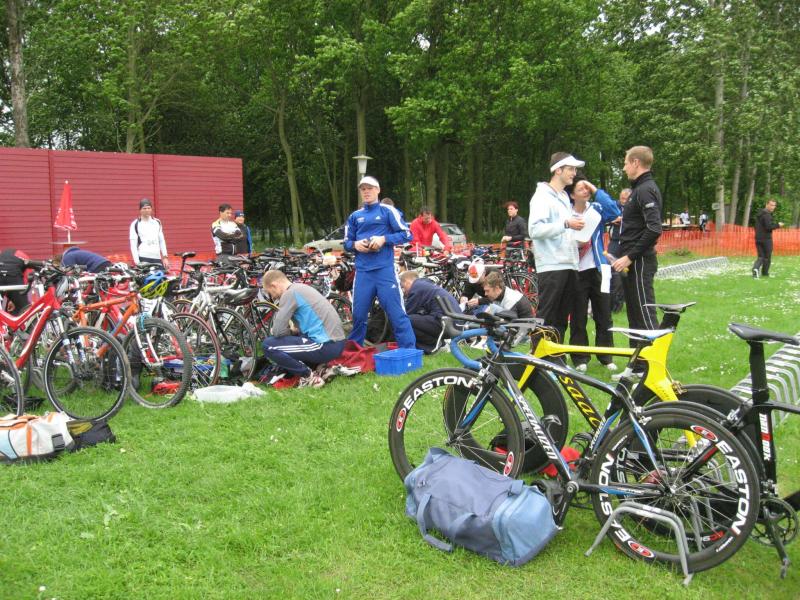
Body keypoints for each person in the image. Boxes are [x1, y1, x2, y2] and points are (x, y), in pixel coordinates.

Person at [343, 175, 415, 348]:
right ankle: (354, 354)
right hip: (363, 273)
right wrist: (355, 245)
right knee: (358, 316)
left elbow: (407, 234)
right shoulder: (355, 216)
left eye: (370, 188)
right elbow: (346, 243)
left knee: (397, 314)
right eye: (363, 189)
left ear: (378, 190)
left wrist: (384, 239)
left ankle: (409, 351)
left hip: (385, 271)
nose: (366, 192)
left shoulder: (388, 211)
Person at [611, 146, 663, 369]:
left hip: (640, 261)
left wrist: (630, 257)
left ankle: (654, 367)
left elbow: (654, 228)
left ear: (635, 163)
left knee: (644, 313)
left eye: (625, 163)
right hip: (631, 262)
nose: (624, 168)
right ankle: (637, 367)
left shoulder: (645, 190)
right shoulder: (638, 189)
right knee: (634, 316)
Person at [528, 152, 586, 340]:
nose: (574, 173)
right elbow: (535, 230)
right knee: (547, 317)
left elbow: (562, 230)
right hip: (552, 265)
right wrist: (566, 224)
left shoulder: (563, 196)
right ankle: (538, 355)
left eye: (575, 169)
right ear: (558, 170)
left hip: (569, 264)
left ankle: (556, 355)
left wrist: (577, 239)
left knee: (561, 319)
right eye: (570, 169)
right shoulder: (542, 196)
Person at [566, 178, 621, 372]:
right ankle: (580, 357)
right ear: (572, 194)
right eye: (581, 188)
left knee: (604, 314)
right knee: (578, 316)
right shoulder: (566, 212)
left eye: (587, 187)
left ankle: (606, 356)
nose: (585, 190)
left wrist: (595, 189)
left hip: (599, 268)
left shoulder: (596, 208)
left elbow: (615, 212)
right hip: (577, 270)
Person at [260, 270, 346, 388]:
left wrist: (289, 332)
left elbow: (278, 331)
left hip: (325, 345)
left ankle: (309, 377)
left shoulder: (289, 294)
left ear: (274, 285)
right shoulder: (302, 288)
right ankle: (321, 368)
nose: (273, 297)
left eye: (270, 293)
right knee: (294, 339)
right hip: (337, 343)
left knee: (269, 345)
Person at [399, 270, 463, 353]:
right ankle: (439, 344)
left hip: (445, 322)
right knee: (414, 320)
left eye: (403, 287)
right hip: (456, 322)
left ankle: (433, 346)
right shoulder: (426, 285)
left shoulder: (416, 287)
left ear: (407, 282)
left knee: (405, 320)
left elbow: (407, 313)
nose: (404, 291)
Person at [482, 270, 533, 346]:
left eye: (487, 291)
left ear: (497, 288)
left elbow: (506, 323)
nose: (485, 294)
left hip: (523, 333)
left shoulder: (510, 298)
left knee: (493, 309)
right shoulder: (501, 294)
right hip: (517, 327)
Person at [606, 188, 630, 314]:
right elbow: (604, 219)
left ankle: (622, 300)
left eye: (626, 199)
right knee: (611, 271)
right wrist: (612, 221)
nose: (623, 201)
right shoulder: (614, 207)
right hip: (614, 243)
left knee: (625, 273)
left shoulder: (634, 207)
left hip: (628, 244)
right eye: (622, 198)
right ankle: (610, 301)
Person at [129, 197, 169, 268]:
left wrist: (165, 257)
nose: (147, 210)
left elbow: (161, 240)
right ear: (140, 210)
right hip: (143, 258)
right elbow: (133, 245)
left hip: (157, 258)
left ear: (151, 209)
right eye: (144, 208)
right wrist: (137, 262)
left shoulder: (157, 222)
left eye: (148, 208)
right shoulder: (135, 224)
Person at [752, 199, 782, 278]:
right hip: (766, 239)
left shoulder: (759, 214)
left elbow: (756, 226)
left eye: (774, 205)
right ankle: (765, 273)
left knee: (761, 256)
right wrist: (778, 225)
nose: (773, 207)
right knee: (767, 257)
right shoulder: (767, 215)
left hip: (758, 238)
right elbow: (769, 227)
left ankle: (755, 268)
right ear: (766, 204)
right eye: (771, 205)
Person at [0, 248, 30, 315]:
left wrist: (11, 298)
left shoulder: (3, 255)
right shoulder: (24, 257)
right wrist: (14, 298)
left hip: (3, 277)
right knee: (24, 308)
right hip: (14, 277)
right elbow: (28, 279)